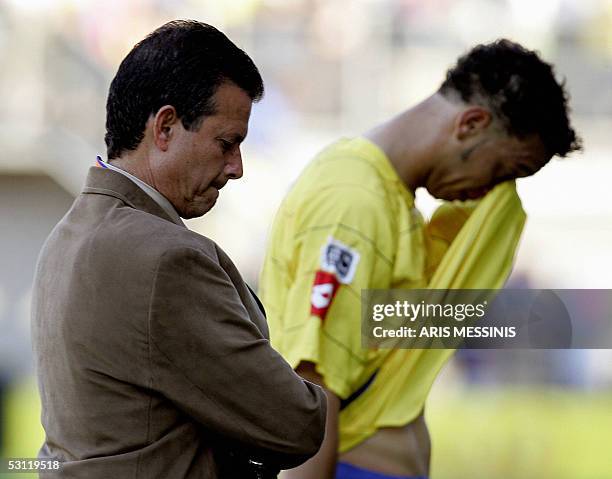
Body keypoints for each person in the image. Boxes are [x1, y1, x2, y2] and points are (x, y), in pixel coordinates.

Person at [259, 39, 581, 479]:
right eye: (504, 171)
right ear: (470, 123)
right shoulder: (355, 202)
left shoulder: (391, 199)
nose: (493, 192)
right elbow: (312, 388)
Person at [31, 20, 327, 479]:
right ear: (165, 126)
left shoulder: (68, 234)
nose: (237, 168)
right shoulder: (166, 259)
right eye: (227, 143)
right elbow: (296, 423)